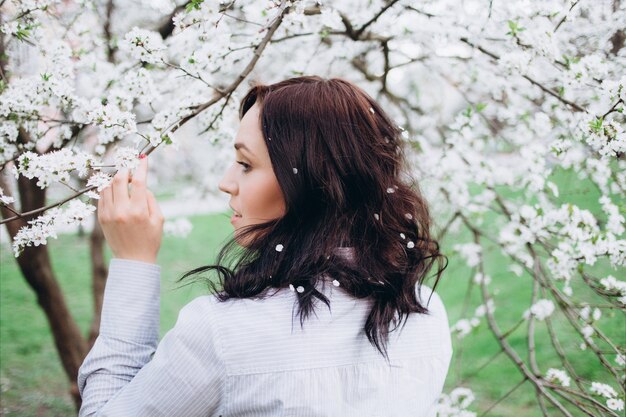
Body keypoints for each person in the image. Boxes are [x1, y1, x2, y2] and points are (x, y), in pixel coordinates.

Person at [77, 76, 453, 417]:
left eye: (245, 163)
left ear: (310, 183)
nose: (226, 182)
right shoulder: (425, 315)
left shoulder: (224, 334)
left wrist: (134, 262)